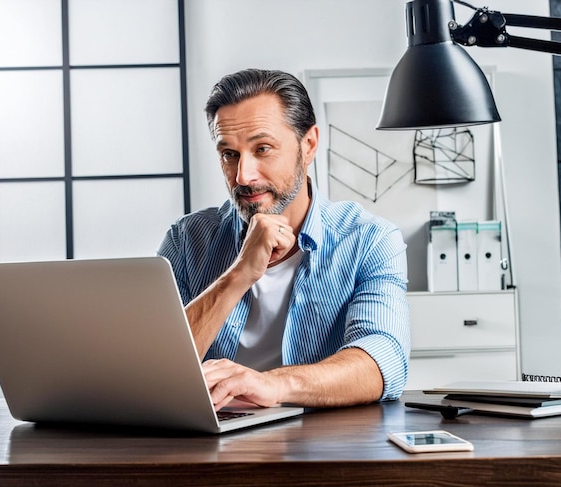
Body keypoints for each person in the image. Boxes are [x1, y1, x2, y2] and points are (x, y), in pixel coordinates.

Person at [158, 68, 410, 410]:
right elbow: (155, 370)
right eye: (229, 154)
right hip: (211, 447)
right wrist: (238, 274)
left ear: (308, 145)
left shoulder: (369, 239)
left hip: (321, 445)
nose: (243, 176)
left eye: (262, 149)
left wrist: (272, 385)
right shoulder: (187, 239)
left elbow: (383, 361)